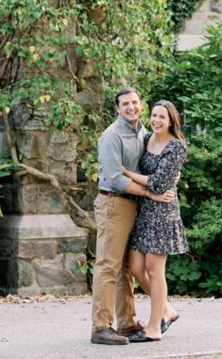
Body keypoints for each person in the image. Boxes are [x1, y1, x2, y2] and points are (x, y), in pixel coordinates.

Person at [91, 87, 174, 347]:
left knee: (126, 268)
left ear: (141, 104)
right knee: (108, 265)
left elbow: (156, 162)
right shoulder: (112, 136)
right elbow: (116, 178)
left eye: (135, 102)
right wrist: (151, 194)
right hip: (114, 203)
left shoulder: (142, 132)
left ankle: (127, 323)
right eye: (125, 104)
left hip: (134, 204)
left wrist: (172, 176)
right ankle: (101, 327)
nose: (131, 107)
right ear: (117, 108)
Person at [122, 100, 188, 343]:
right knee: (135, 267)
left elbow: (159, 184)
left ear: (171, 121)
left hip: (162, 212)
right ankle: (167, 310)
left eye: (162, 117)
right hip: (143, 209)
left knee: (154, 269)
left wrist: (126, 173)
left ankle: (154, 327)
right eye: (154, 115)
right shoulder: (147, 138)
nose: (157, 120)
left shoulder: (176, 147)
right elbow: (152, 177)